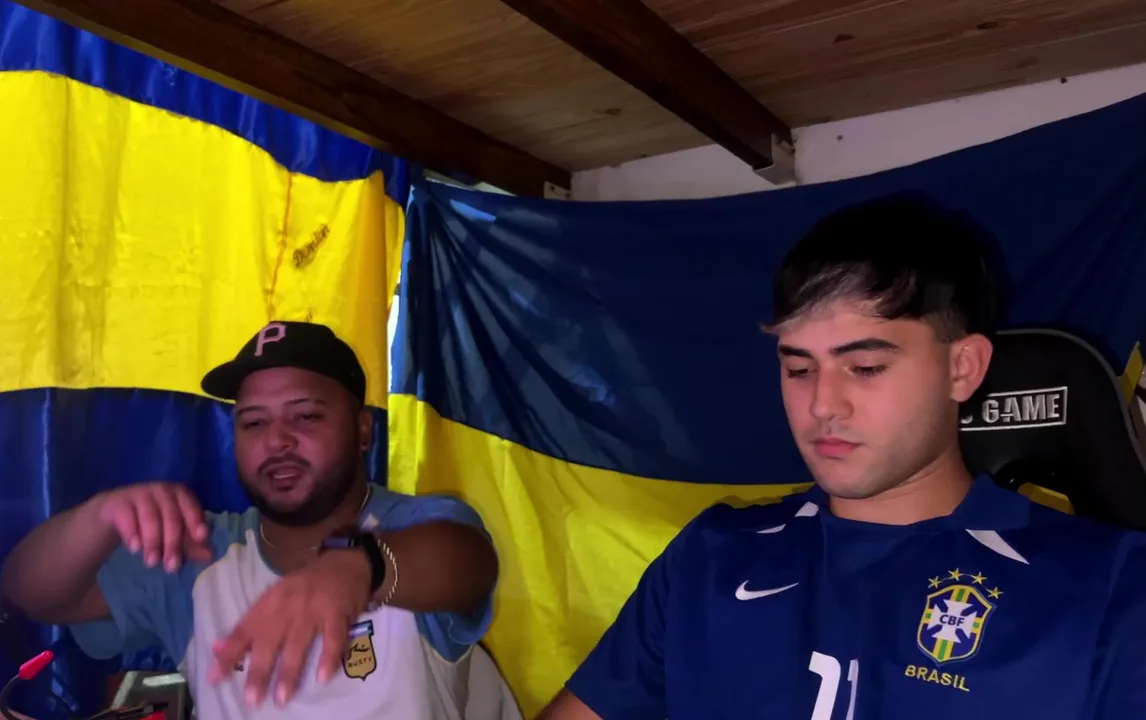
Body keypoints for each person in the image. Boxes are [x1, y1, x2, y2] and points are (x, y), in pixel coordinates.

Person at [537, 194, 1146, 719]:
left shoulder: (1110, 588)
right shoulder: (710, 559)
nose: (823, 404)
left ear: (962, 368)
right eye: (800, 368)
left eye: (866, 367)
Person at [0, 321, 502, 719]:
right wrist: (98, 518)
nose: (277, 440)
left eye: (306, 416)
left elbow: (469, 563)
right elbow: (30, 592)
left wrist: (360, 567)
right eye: (254, 422)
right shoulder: (201, 555)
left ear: (363, 430)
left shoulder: (413, 527)